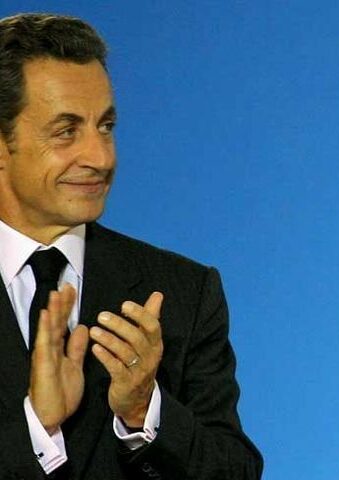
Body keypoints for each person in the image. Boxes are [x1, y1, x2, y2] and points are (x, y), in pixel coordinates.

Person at [0, 12, 262, 480]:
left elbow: (235, 472)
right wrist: (36, 427)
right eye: (66, 131)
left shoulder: (183, 292)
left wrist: (145, 411)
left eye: (106, 126)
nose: (101, 157)